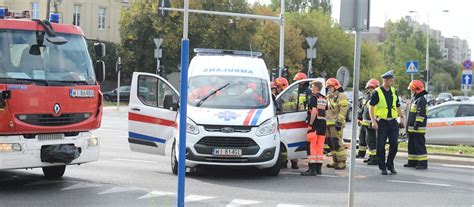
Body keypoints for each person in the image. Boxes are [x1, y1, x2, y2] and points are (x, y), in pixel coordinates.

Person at [369, 70, 405, 175]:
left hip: (393, 121)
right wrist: (373, 121)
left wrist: (401, 117)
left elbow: (397, 105)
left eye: (393, 80)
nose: (392, 82)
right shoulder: (377, 92)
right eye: (390, 80)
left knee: (394, 144)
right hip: (382, 122)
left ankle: (390, 164)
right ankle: (382, 167)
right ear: (385, 80)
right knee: (380, 145)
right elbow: (371, 107)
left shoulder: (394, 91)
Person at [301, 80, 327, 176]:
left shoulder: (313, 98)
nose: (311, 88)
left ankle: (312, 169)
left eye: (312, 87)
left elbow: (314, 111)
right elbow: (325, 112)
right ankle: (318, 169)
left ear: (316, 88)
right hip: (323, 124)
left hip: (315, 125)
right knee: (320, 147)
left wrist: (311, 123)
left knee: (312, 146)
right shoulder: (324, 98)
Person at [325, 78, 349, 170]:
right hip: (329, 124)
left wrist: (339, 121)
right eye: (328, 87)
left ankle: (341, 162)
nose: (329, 89)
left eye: (331, 87)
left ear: (336, 87)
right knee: (331, 143)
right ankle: (335, 161)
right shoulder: (329, 97)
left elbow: (343, 110)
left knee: (337, 142)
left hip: (336, 124)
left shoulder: (341, 96)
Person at [404, 80, 428, 169]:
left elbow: (420, 113)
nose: (411, 91)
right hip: (412, 128)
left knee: (419, 146)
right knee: (412, 146)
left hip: (418, 128)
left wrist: (417, 124)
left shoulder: (421, 100)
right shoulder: (416, 99)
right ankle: (412, 162)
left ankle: (422, 163)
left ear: (416, 89)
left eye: (412, 89)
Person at [357, 79, 379, 165]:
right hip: (364, 122)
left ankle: (374, 158)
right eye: (369, 88)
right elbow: (362, 108)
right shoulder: (366, 97)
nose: (370, 90)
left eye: (372, 88)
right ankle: (365, 155)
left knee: (371, 141)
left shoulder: (378, 97)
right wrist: (359, 118)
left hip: (371, 122)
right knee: (363, 139)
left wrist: (375, 121)